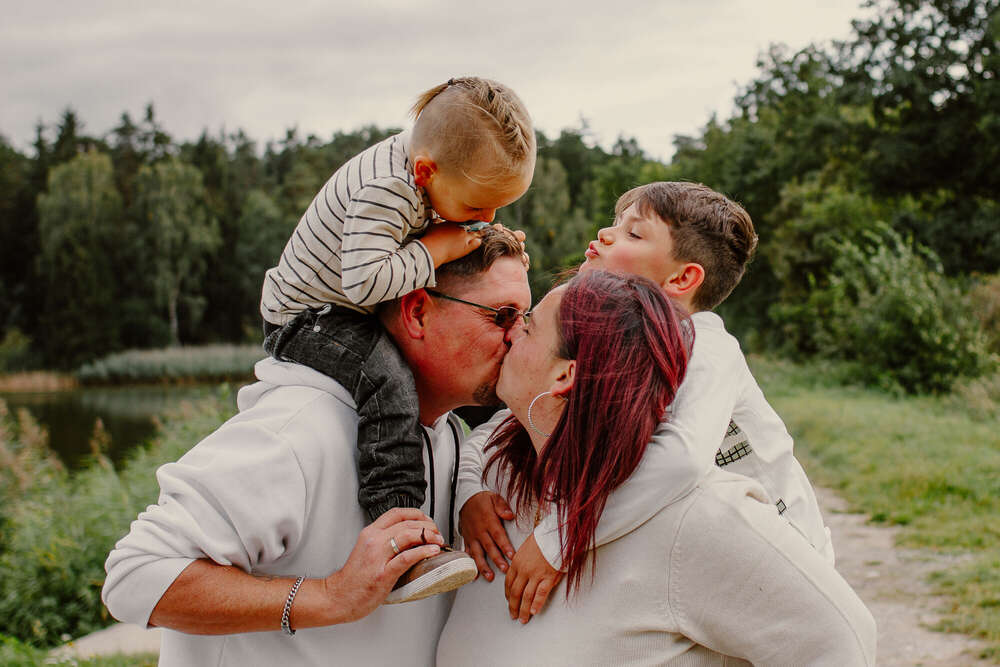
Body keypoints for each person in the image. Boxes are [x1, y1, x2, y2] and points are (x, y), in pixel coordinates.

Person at [102, 230, 532, 666]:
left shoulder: (451, 435)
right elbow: (135, 574)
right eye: (502, 316)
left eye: (525, 319)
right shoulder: (298, 430)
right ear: (417, 312)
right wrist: (330, 596)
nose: (517, 337)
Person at [437, 271, 876, 666]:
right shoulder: (501, 477)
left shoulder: (692, 517)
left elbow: (839, 639)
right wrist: (470, 493)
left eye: (529, 326)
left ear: (564, 376)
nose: (511, 332)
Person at [459, 181, 834, 622]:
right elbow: (501, 426)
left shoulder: (706, 347)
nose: (605, 234)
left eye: (633, 233)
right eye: (615, 223)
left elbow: (681, 461)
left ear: (682, 279)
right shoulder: (612, 342)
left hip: (784, 563)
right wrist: (471, 492)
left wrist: (556, 540)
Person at [259, 76, 535, 599]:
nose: (488, 217)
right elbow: (365, 282)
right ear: (426, 171)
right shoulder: (385, 189)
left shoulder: (431, 169)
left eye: (497, 209)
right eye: (478, 208)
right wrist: (439, 250)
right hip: (306, 317)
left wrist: (480, 238)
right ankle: (401, 540)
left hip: (347, 306)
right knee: (388, 382)